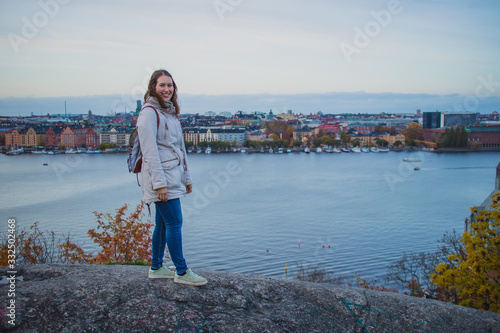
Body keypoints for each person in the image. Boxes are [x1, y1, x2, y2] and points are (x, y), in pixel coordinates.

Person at [137, 69, 207, 286]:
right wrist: (159, 185)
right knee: (175, 222)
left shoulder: (169, 112)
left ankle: (156, 267)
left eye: (170, 85)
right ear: (153, 87)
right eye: (162, 85)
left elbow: (180, 148)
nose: (167, 89)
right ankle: (182, 271)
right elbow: (149, 152)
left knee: (163, 224)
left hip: (173, 176)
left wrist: (187, 178)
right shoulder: (149, 113)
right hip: (161, 179)